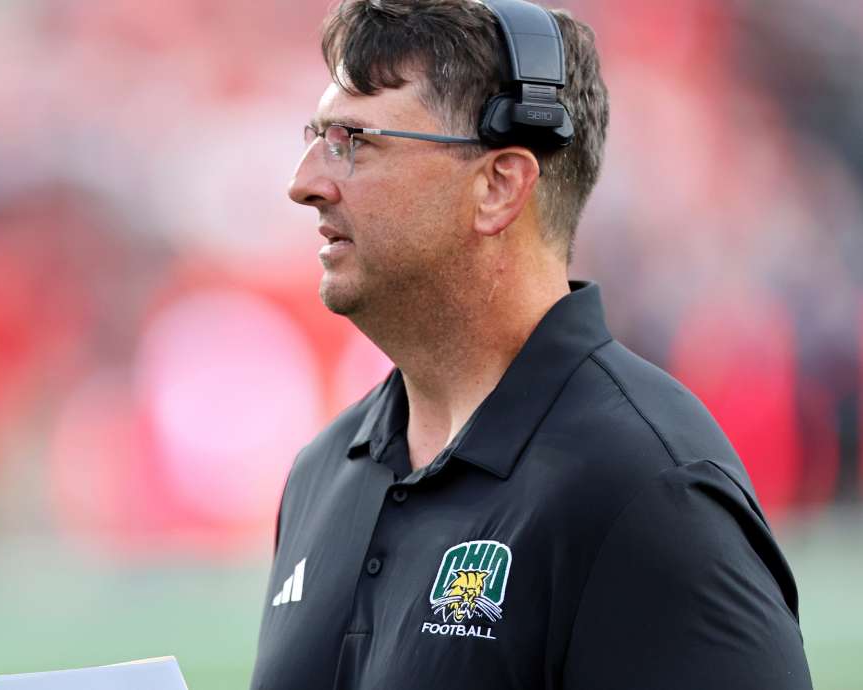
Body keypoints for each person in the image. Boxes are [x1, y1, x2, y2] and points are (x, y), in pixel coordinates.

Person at [250, 1, 813, 689]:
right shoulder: (321, 473)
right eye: (315, 136)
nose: (304, 182)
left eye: (353, 140)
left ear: (498, 185)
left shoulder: (648, 492)